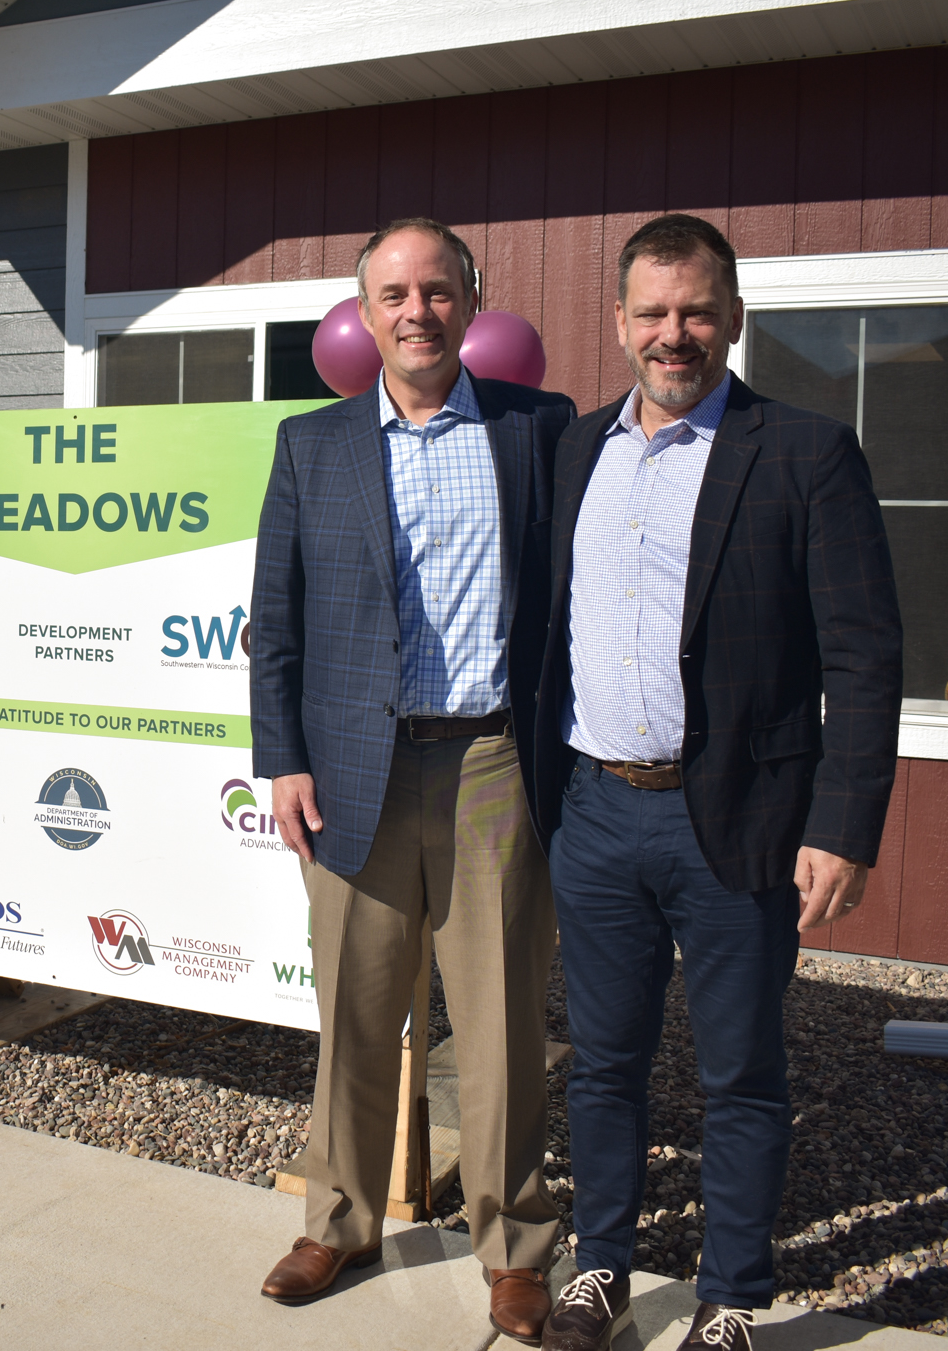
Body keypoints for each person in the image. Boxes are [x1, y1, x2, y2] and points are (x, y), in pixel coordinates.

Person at [532, 215, 901, 1351]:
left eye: (695, 310)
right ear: (619, 323)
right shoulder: (574, 451)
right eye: (650, 313)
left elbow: (863, 652)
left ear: (732, 316)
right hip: (594, 812)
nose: (673, 333)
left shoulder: (803, 453)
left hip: (735, 822)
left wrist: (841, 825)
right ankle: (599, 1265)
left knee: (740, 1071)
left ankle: (730, 1295)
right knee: (601, 1064)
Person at [250, 217, 573, 1339]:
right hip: (354, 768)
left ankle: (513, 1246)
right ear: (363, 311)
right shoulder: (312, 444)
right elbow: (275, 623)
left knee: (496, 1023)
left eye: (436, 290)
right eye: (392, 293)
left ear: (469, 302)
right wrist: (278, 758)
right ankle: (336, 1220)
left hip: (492, 760)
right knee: (354, 1008)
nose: (415, 311)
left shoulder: (539, 431)